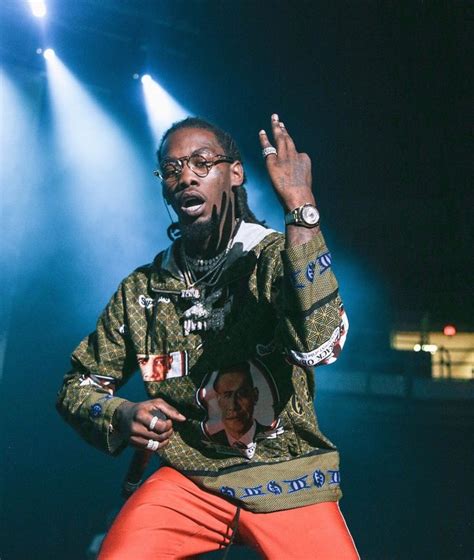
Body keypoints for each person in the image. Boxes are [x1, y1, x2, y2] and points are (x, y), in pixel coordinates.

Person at [57, 114, 358, 559]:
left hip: (288, 475)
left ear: (234, 173)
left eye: (202, 162)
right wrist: (122, 413)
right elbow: (77, 388)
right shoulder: (143, 290)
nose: (185, 177)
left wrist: (300, 204)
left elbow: (318, 342)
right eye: (172, 168)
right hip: (191, 475)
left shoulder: (272, 257)